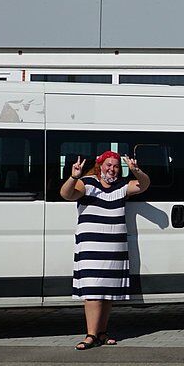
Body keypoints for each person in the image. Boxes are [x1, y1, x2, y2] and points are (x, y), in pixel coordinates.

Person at [60, 150, 150, 350]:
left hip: (114, 247)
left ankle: (101, 332)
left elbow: (144, 185)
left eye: (116, 166)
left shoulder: (121, 186)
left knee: (108, 292)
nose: (112, 169)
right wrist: (73, 177)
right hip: (92, 246)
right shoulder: (88, 183)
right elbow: (66, 194)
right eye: (108, 165)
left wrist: (136, 170)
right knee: (92, 290)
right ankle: (91, 335)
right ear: (100, 166)